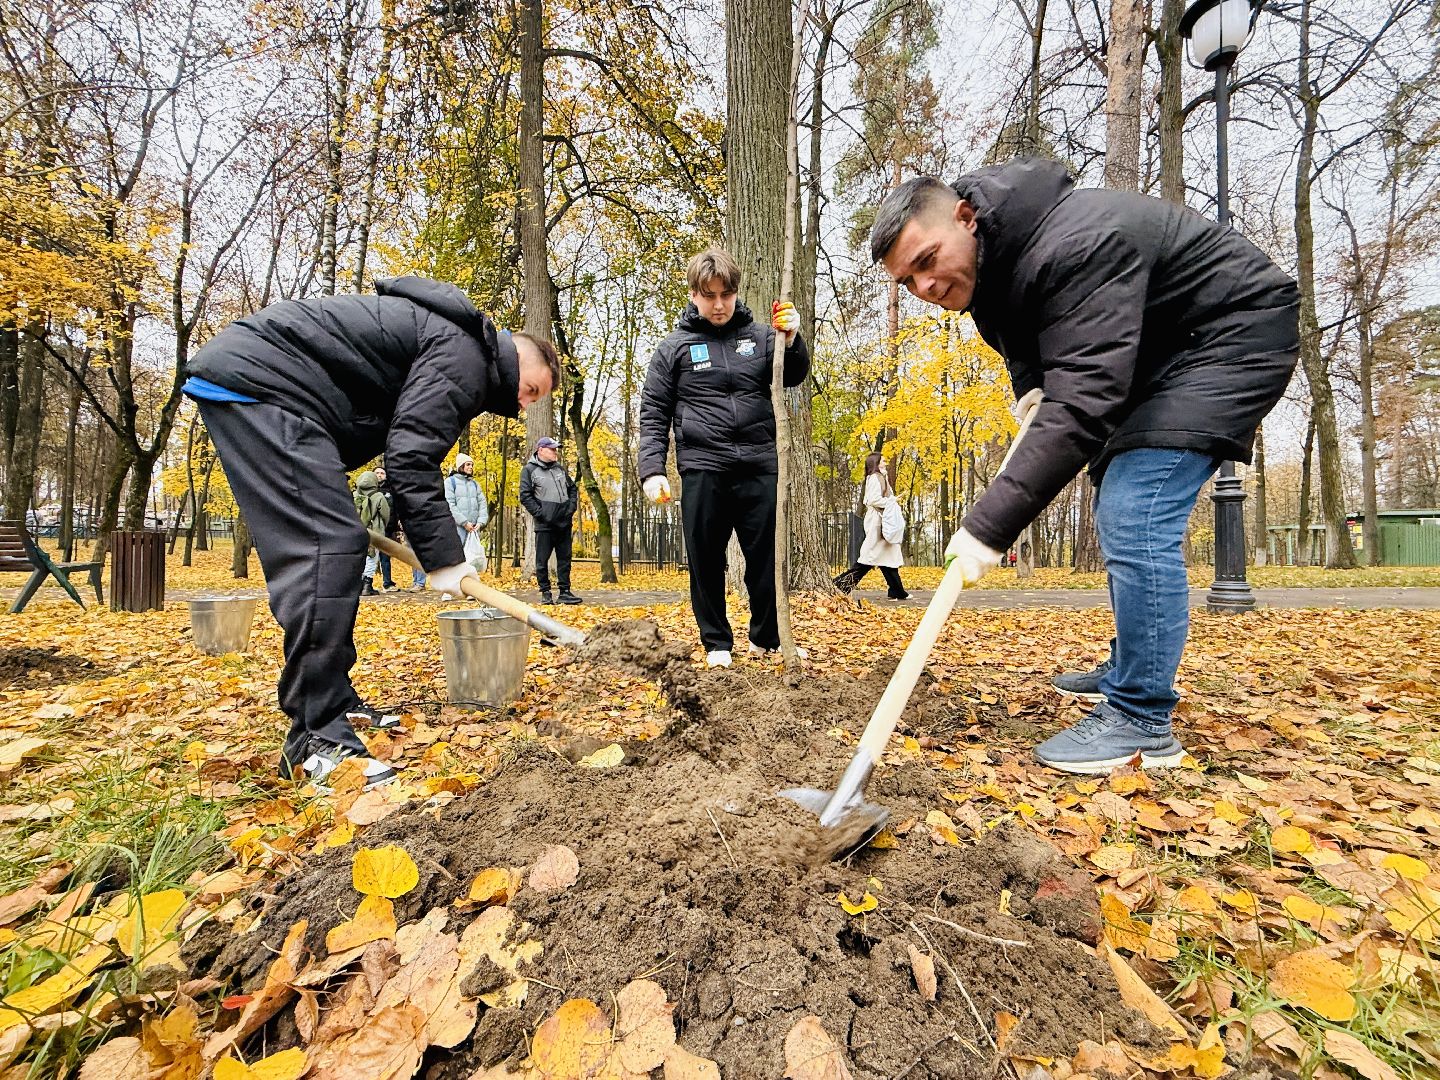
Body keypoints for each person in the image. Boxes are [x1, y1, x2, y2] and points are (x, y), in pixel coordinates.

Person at [869, 157, 1299, 774]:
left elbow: (1086, 399)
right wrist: (1033, 394)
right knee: (1117, 495)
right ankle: (1132, 666)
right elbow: (1027, 345)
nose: (924, 289)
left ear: (966, 218)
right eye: (907, 280)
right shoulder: (990, 270)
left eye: (927, 261)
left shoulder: (1075, 242)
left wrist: (990, 525)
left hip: (1228, 335)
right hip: (1160, 348)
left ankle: (1142, 719)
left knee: (1136, 507)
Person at [183, 276, 560, 790]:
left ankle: (336, 703)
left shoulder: (451, 344)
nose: (522, 404)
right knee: (327, 547)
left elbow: (397, 442)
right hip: (264, 388)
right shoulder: (466, 356)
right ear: (514, 353)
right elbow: (410, 457)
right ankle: (315, 738)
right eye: (532, 388)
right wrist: (445, 558)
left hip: (275, 392)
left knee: (339, 541)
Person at [638, 246, 811, 668]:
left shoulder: (761, 337)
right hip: (703, 467)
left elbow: (794, 374)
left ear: (736, 292)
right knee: (705, 560)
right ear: (694, 295)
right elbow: (653, 411)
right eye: (709, 295)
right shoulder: (674, 349)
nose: (719, 305)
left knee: (766, 559)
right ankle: (717, 643)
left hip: (759, 465)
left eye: (726, 295)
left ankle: (766, 637)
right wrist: (651, 469)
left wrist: (792, 338)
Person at [833, 452, 909, 600]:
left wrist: (892, 500)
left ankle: (896, 590)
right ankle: (840, 585)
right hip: (877, 522)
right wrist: (892, 500)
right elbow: (872, 500)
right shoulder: (875, 478)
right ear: (876, 463)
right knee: (869, 558)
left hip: (881, 521)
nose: (885, 462)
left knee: (887, 557)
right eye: (883, 460)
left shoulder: (881, 477)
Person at [519, 436, 582, 605]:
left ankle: (565, 592)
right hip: (545, 524)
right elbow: (525, 496)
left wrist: (570, 508)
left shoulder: (560, 469)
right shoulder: (529, 470)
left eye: (555, 449)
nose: (555, 452)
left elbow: (572, 488)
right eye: (552, 449)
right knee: (542, 559)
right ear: (540, 450)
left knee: (565, 558)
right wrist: (541, 514)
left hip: (564, 522)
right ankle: (545, 593)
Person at [445, 453, 488, 592]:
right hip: (457, 527)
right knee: (455, 559)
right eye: (468, 464)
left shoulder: (475, 484)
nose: (471, 467)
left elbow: (482, 503)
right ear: (460, 466)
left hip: (474, 528)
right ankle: (449, 590)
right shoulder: (450, 482)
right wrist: (464, 522)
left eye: (471, 465)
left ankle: (470, 590)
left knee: (471, 560)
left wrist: (480, 522)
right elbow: (450, 504)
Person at [353, 469, 390, 596]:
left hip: (357, 533)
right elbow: (385, 514)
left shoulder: (354, 495)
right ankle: (367, 586)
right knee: (372, 558)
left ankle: (358, 585)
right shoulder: (378, 496)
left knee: (360, 558)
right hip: (374, 533)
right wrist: (382, 526)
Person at [374, 466, 399, 590]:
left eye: (382, 473)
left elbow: (395, 510)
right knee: (370, 557)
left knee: (385, 557)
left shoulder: (391, 491)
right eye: (377, 473)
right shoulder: (367, 490)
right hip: (371, 529)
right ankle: (365, 583)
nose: (379, 475)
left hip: (387, 529)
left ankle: (387, 583)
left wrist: (396, 525)